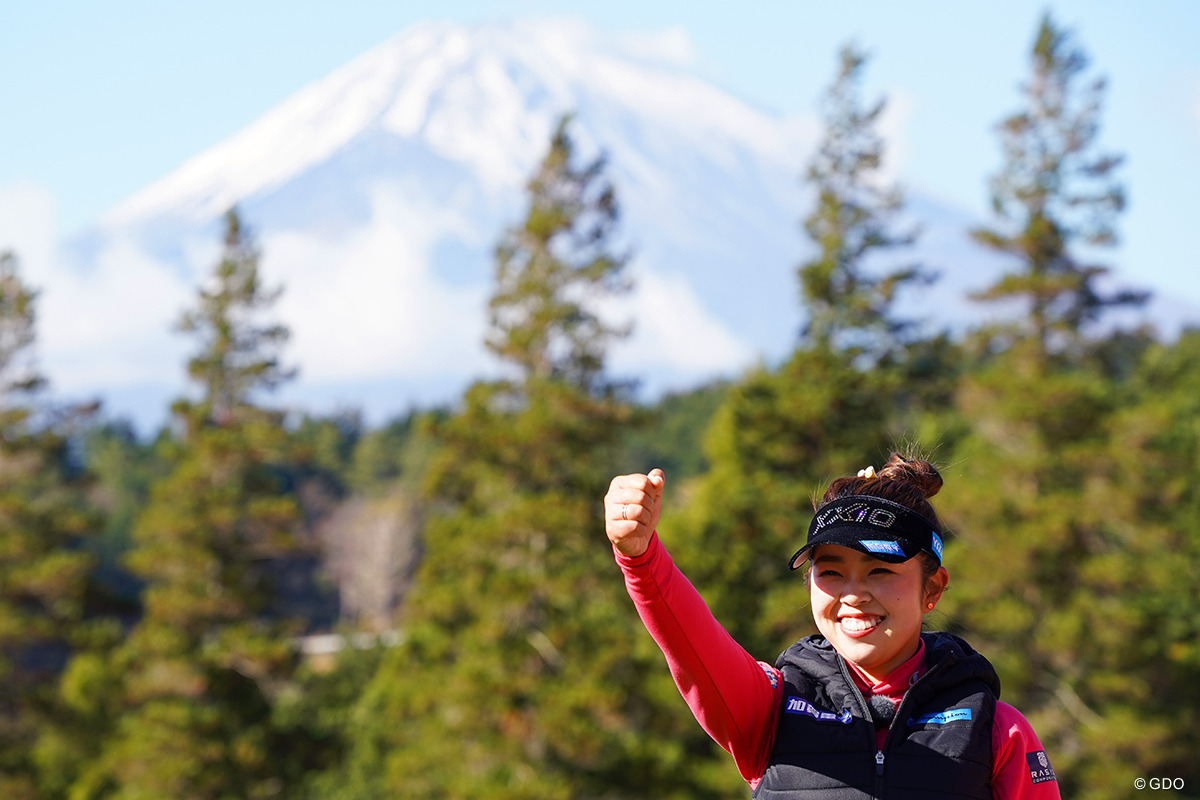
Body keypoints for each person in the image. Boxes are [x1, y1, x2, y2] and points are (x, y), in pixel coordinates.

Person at [604, 454, 1060, 798]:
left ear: (933, 589)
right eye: (831, 571)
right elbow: (691, 639)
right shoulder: (771, 706)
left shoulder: (999, 730)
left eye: (880, 570)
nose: (853, 593)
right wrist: (640, 557)